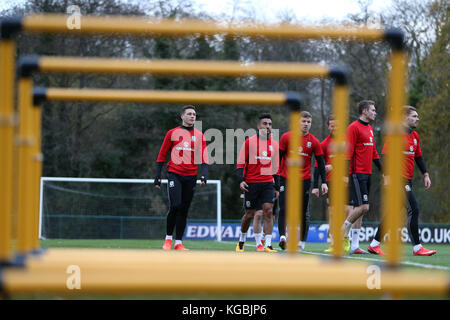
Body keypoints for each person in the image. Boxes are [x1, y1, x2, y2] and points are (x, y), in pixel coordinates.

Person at [368, 106, 436, 256]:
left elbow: (418, 156)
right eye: (414, 116)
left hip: (408, 179)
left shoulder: (415, 136)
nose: (417, 119)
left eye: (417, 116)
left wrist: (425, 174)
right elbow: (385, 156)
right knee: (414, 208)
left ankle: (374, 244)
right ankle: (418, 247)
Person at [155, 105, 209, 251]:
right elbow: (162, 154)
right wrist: (157, 175)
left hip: (191, 176)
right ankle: (168, 239)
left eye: (194, 114)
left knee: (184, 209)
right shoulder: (172, 133)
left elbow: (204, 158)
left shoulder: (199, 135)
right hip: (174, 173)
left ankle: (178, 242)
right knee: (175, 205)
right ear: (182, 116)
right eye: (190, 114)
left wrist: (204, 174)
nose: (192, 116)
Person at [312, 115, 367, 254]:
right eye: (332, 125)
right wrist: (317, 185)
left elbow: (352, 159)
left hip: (348, 180)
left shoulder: (347, 141)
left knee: (349, 210)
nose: (334, 128)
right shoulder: (324, 144)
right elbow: (318, 166)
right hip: (331, 182)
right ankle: (333, 242)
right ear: (328, 127)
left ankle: (346, 239)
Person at [277, 111, 328, 251]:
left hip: (304, 180)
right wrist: (275, 178)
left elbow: (321, 163)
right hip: (286, 178)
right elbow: (278, 159)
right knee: (284, 208)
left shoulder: (314, 142)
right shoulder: (286, 137)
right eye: (303, 121)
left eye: (308, 122)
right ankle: (282, 237)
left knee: (302, 212)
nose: (306, 124)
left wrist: (323, 182)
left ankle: (301, 242)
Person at [341, 100, 383, 253]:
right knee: (364, 207)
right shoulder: (353, 128)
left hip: (368, 173)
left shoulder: (370, 129)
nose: (375, 112)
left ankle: (355, 246)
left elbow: (374, 153)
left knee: (361, 210)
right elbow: (347, 153)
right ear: (364, 111)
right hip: (356, 174)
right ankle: (342, 229)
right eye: (372, 110)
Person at [236, 113, 280, 253]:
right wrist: (241, 180)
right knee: (249, 214)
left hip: (267, 183)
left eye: (270, 124)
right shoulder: (249, 142)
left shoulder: (274, 145)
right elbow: (240, 164)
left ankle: (267, 244)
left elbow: (276, 168)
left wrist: (277, 187)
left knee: (268, 211)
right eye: (265, 124)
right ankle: (241, 240)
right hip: (251, 183)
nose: (267, 127)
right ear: (258, 126)